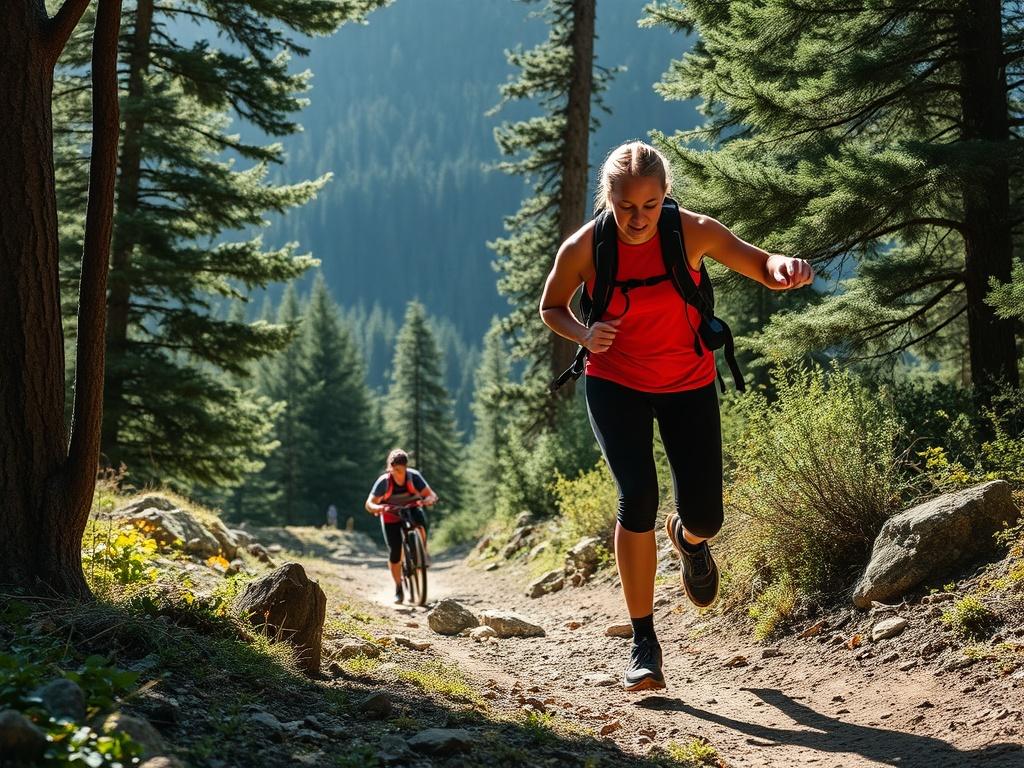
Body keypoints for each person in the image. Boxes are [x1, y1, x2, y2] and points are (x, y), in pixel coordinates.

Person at [539, 140, 813, 691]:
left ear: (665, 195)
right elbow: (552, 306)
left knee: (706, 517)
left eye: (649, 204)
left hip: (688, 383)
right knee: (637, 496)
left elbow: (760, 264)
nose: (638, 218)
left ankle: (688, 540)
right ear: (608, 199)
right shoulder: (585, 248)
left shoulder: (693, 231)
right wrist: (585, 334)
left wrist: (784, 267)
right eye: (625, 207)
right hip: (615, 382)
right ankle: (644, 642)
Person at [364, 448, 438, 604]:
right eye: (396, 469)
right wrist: (378, 508)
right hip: (390, 513)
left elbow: (431, 495)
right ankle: (398, 588)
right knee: (395, 552)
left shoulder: (414, 477)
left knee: (421, 524)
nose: (399, 473)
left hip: (412, 508)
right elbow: (369, 503)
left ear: (406, 466)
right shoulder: (384, 482)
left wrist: (429, 500)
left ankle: (422, 551)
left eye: (402, 469)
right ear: (390, 467)